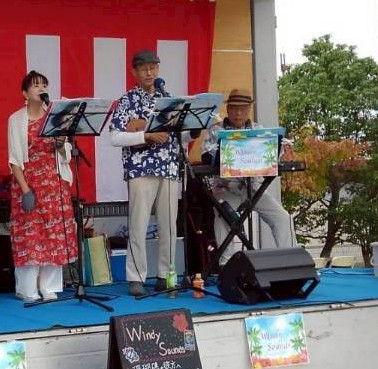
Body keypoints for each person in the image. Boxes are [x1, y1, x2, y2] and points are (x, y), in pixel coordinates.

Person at [109, 50, 184, 297]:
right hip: (141, 167)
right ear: (135, 72)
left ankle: (166, 274)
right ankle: (137, 276)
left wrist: (194, 129)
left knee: (168, 224)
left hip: (169, 166)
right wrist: (145, 135)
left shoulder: (169, 99)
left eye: (153, 68)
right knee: (139, 223)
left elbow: (179, 136)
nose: (149, 73)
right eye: (144, 69)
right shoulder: (127, 100)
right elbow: (116, 136)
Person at [202, 88, 297, 265]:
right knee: (223, 215)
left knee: (283, 218)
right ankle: (226, 265)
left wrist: (279, 150)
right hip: (226, 188)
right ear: (228, 109)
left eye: (243, 109)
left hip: (254, 187)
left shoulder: (259, 130)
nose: (238, 113)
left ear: (249, 110)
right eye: (234, 108)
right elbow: (206, 156)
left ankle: (291, 262)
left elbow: (271, 158)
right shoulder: (216, 130)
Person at [7, 70, 77, 303]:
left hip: (53, 183)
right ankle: (27, 288)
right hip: (29, 182)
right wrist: (25, 189)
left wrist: (60, 145)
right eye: (36, 85)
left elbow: (66, 153)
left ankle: (49, 286)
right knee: (30, 235)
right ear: (24, 93)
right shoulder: (16, 120)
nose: (41, 88)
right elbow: (14, 159)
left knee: (54, 233)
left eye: (44, 85)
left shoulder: (55, 117)